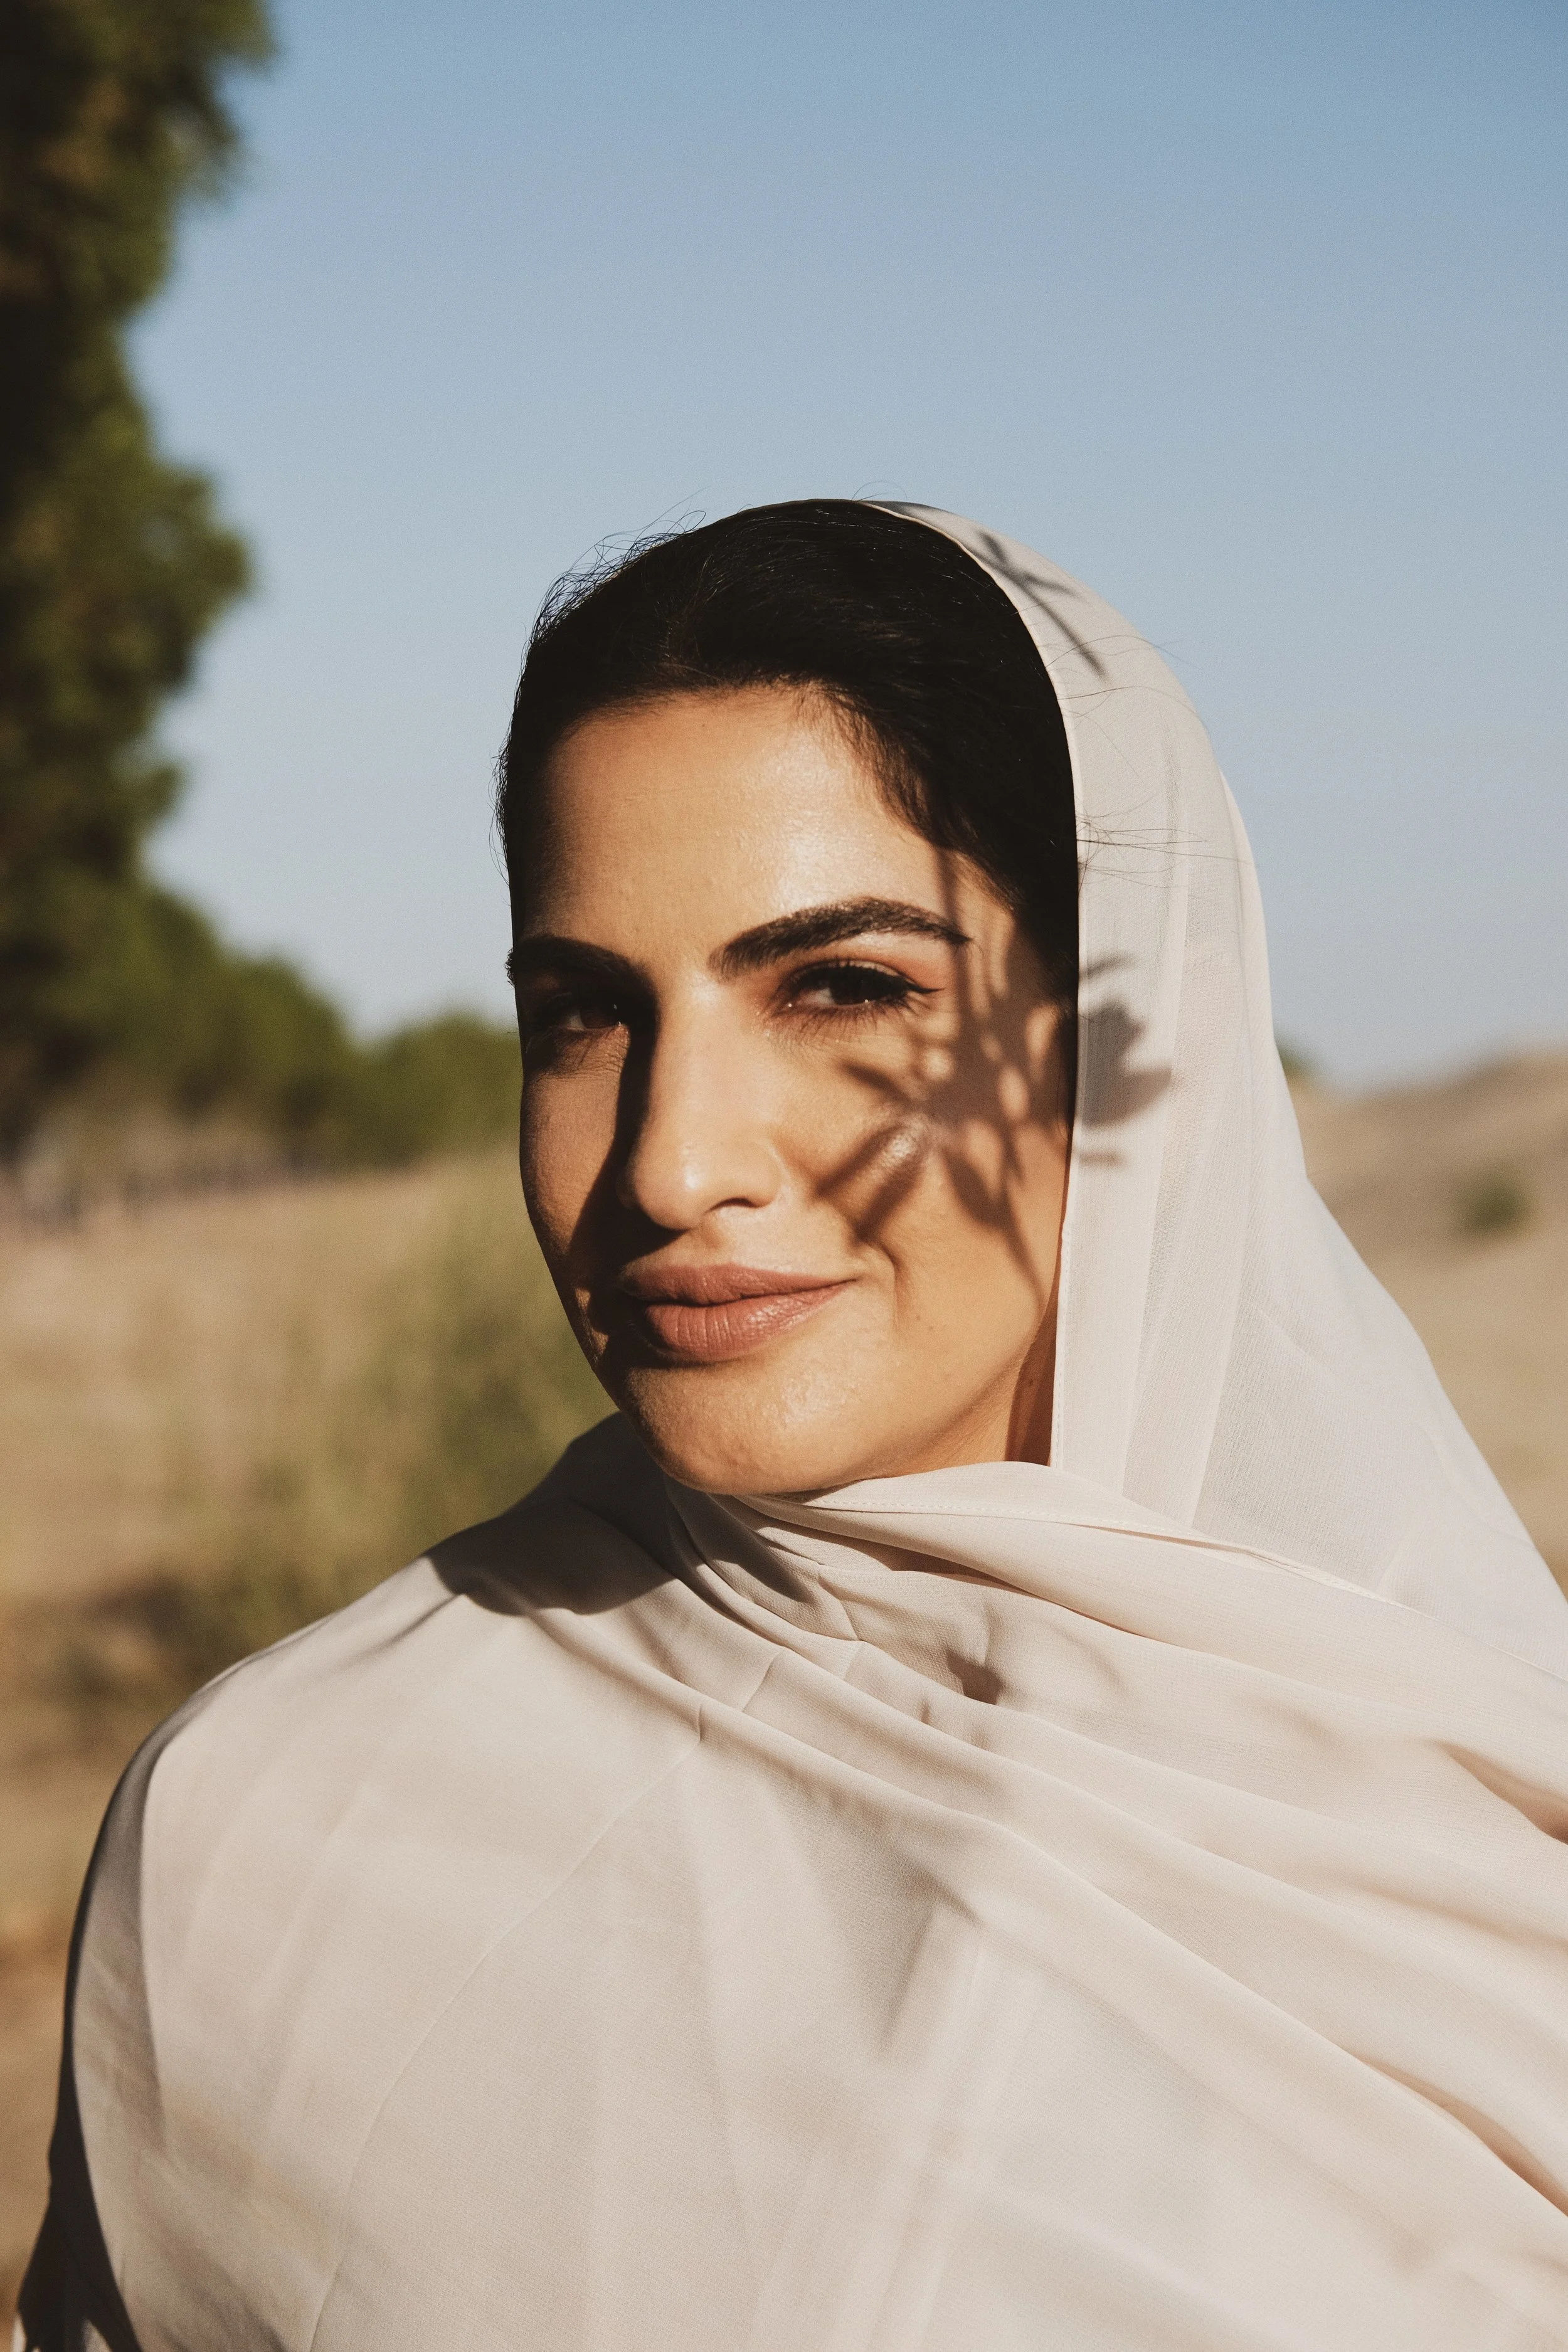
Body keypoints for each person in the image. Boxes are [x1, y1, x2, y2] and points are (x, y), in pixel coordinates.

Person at [19, 502, 1568, 2352]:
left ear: (1132, 1041)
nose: (671, 1162)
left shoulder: (1464, 1867)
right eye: (582, 1016)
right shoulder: (263, 1823)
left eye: (844, 988)